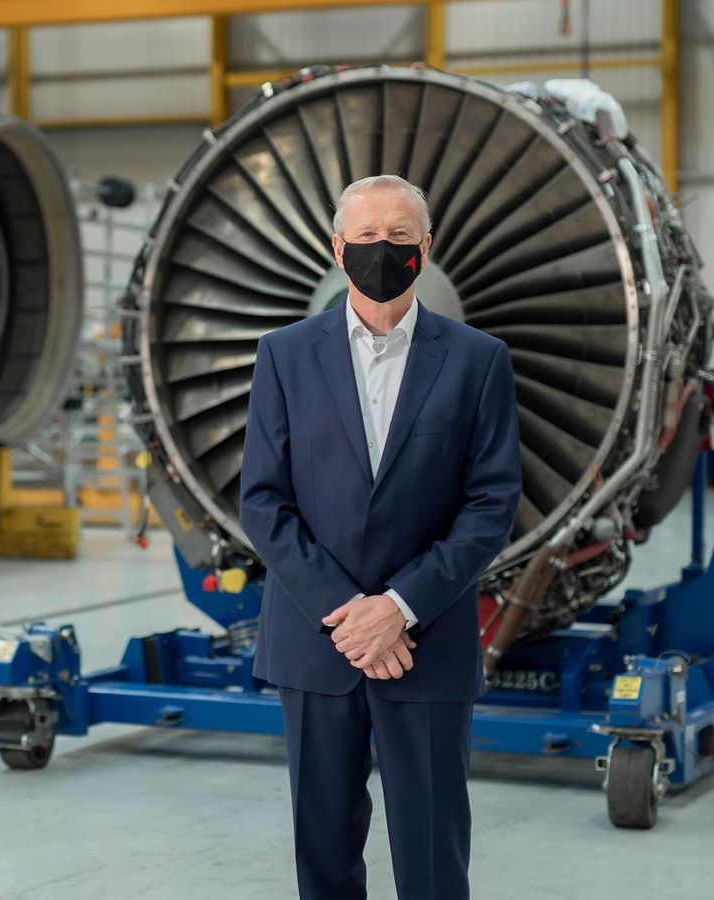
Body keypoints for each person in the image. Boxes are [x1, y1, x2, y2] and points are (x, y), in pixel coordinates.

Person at [240, 175, 523, 899]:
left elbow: (491, 504)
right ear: (338, 249)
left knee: (431, 854)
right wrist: (351, 614)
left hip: (423, 643)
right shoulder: (284, 355)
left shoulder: (476, 359)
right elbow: (264, 502)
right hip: (318, 640)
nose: (381, 250)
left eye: (398, 237)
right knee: (324, 849)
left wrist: (398, 606)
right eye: (365, 238)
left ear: (425, 249)